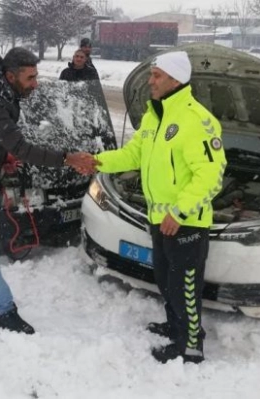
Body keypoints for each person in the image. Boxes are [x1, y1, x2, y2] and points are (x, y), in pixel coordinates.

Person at [0, 47, 96, 335]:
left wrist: (5, 157)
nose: (35, 84)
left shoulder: (2, 94)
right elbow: (21, 146)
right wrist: (67, 158)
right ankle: (4, 310)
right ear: (10, 76)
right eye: (30, 78)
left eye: (36, 76)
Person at [92, 51, 226, 364]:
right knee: (166, 281)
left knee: (185, 287)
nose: (150, 81)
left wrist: (179, 213)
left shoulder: (198, 121)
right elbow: (132, 156)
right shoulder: (155, 116)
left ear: (175, 79)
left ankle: (190, 345)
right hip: (158, 218)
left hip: (186, 222)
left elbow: (211, 177)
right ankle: (175, 325)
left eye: (157, 76)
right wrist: (97, 161)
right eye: (151, 75)